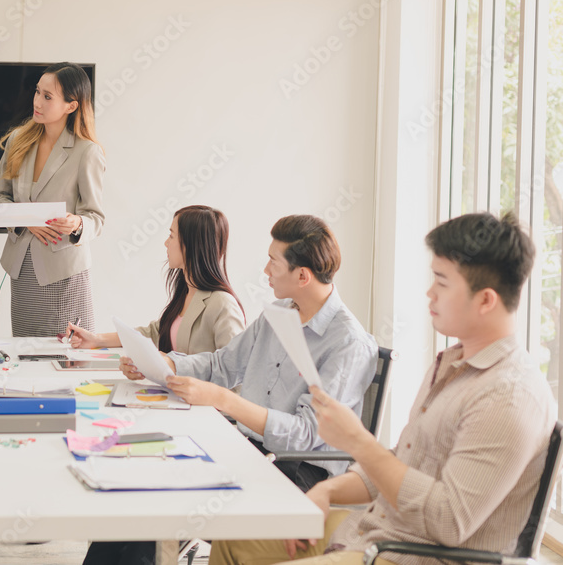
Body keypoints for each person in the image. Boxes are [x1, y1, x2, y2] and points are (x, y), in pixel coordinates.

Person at [211, 212, 556, 565]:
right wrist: (328, 489)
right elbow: (399, 463)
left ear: (485, 300)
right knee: (234, 538)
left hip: (408, 556)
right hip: (374, 531)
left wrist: (357, 442)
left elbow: (448, 523)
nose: (429, 292)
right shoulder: (452, 364)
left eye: (441, 282)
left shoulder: (508, 397)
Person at [86, 215, 377, 565]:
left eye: (273, 262)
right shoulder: (280, 313)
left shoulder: (348, 343)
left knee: (156, 499)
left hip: (297, 474)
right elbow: (223, 365)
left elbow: (305, 436)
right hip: (250, 451)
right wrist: (168, 364)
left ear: (302, 276)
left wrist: (226, 401)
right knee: (139, 484)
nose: (265, 270)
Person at [0, 62, 105, 336]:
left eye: (48, 96)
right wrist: (27, 220)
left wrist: (77, 223)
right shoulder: (19, 140)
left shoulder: (87, 152)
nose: (37, 101)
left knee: (65, 358)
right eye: (37, 92)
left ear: (71, 106)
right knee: (26, 356)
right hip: (22, 269)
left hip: (64, 274)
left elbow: (96, 218)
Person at [66, 205, 245, 353]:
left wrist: (167, 363)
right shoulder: (187, 293)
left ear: (192, 245)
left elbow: (234, 371)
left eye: (172, 236)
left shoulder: (223, 304)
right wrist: (96, 339)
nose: (166, 243)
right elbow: (154, 333)